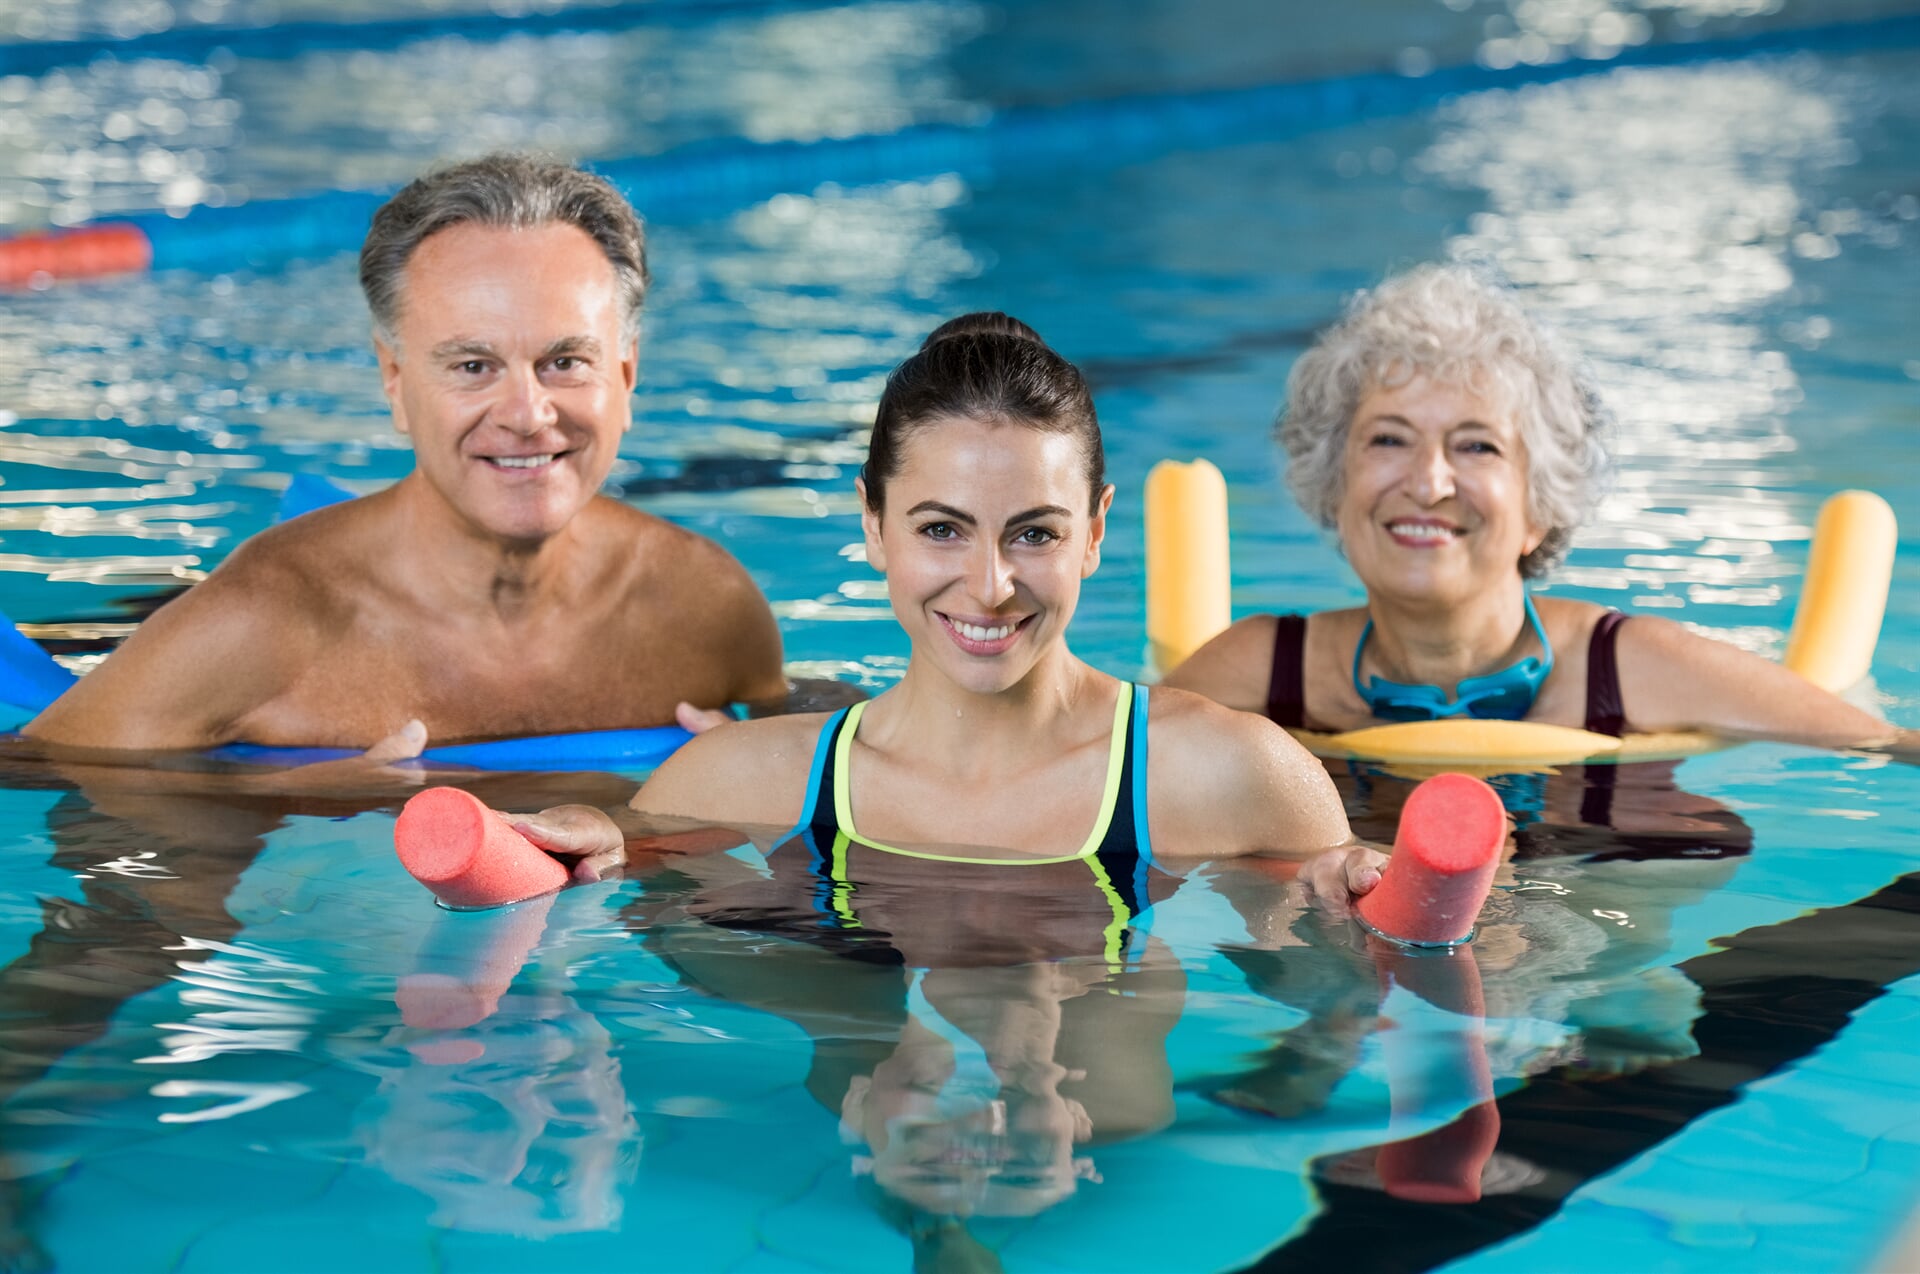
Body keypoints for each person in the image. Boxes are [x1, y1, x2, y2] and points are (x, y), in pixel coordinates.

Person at [512, 312, 1379, 895]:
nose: (990, 586)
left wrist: (1378, 923)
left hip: (1116, 1164)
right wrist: (592, 835)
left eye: (1035, 534)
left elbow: (1324, 1031)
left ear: (1096, 531)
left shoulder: (1235, 777)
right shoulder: (741, 779)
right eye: (941, 530)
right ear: (875, 524)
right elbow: (622, 873)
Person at [22, 152, 791, 755]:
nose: (527, 415)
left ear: (625, 375)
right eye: (472, 366)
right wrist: (287, 796)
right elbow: (36, 769)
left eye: (565, 361)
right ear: (395, 380)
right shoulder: (263, 625)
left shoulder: (705, 607)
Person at [1164, 263, 1904, 749]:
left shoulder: (1630, 668)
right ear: (1335, 482)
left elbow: (1885, 746)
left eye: (1477, 447)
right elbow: (1090, 767)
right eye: (1389, 440)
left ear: (1540, 507)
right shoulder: (1263, 674)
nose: (1428, 483)